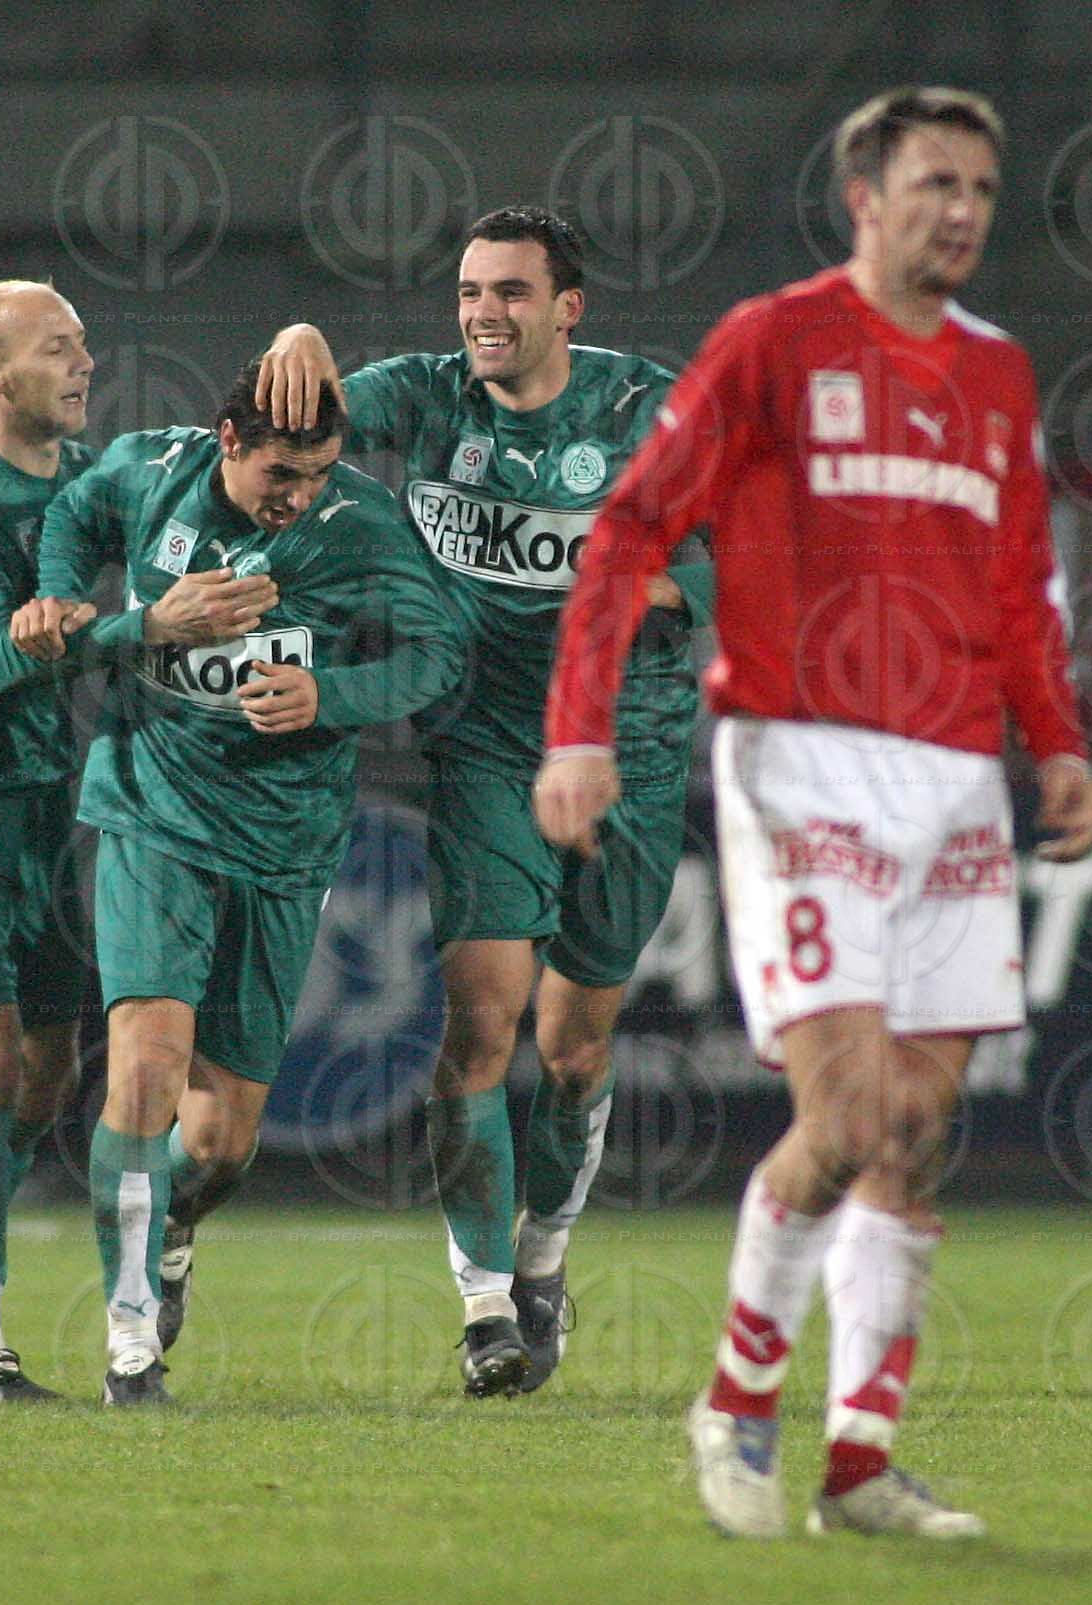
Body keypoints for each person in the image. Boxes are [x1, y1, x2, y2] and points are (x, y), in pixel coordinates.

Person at [534, 87, 1092, 1537]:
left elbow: (1020, 580)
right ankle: (738, 1402)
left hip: (953, 775)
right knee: (843, 1116)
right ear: (864, 198)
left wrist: (1056, 743)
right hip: (801, 758)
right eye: (934, 183)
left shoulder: (998, 373)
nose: (961, 211)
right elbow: (631, 527)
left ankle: (858, 1463)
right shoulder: (773, 341)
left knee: (915, 1129)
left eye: (980, 188)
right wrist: (579, 729)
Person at [257, 206, 714, 1396]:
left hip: (625, 751)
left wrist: (628, 586)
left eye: (510, 291)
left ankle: (544, 1256)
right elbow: (297, 416)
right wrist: (300, 340)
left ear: (568, 307)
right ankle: (485, 1309)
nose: (483, 314)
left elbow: (735, 555)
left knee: (574, 1046)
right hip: (484, 747)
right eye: (469, 291)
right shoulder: (427, 397)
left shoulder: (643, 411)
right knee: (477, 1021)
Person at [20, 358, 465, 1406]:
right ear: (227, 442)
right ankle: (131, 1339)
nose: (299, 495)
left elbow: (439, 651)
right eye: (280, 474)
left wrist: (330, 694)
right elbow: (75, 515)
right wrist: (59, 590)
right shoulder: (150, 473)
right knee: (144, 1070)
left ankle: (170, 1224)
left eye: (318, 473)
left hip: (285, 838)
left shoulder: (360, 523)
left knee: (222, 1142)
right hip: (152, 812)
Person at [0, 281, 270, 1401]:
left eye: (83, 343)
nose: (83, 362)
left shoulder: (92, 480)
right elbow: (0, 657)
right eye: (55, 348)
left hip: (45, 800)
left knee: (44, 1079)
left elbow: (188, 493)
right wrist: (146, 625)